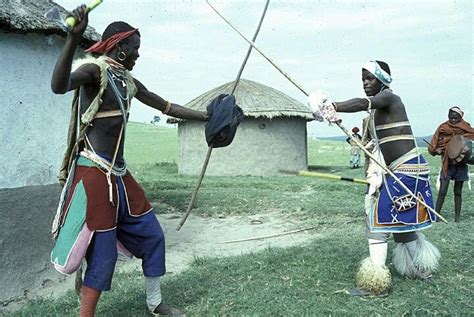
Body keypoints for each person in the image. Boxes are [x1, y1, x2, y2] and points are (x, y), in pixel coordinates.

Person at [50, 5, 208, 316]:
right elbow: (58, 85)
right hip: (94, 174)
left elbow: (167, 106)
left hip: (119, 176)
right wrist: (73, 38)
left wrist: (206, 115)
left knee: (152, 234)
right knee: (103, 253)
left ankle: (154, 303)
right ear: (120, 47)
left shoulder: (127, 81)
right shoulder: (95, 71)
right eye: (134, 49)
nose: (138, 55)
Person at [308, 60, 440, 296]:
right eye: (363, 80)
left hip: (406, 170)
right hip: (405, 170)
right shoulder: (377, 111)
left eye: (370, 79)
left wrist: (333, 105)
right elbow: (372, 137)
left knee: (377, 222)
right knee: (402, 223)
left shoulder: (390, 98)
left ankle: (375, 284)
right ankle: (419, 269)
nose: (365, 84)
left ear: (384, 80)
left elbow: (360, 103)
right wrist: (334, 117)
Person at [428, 106, 474, 222]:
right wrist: (437, 151)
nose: (453, 120)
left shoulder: (466, 128)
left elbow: (470, 141)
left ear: (460, 117)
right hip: (447, 164)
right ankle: (436, 216)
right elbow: (434, 146)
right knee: (442, 191)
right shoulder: (443, 128)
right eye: (451, 117)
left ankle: (457, 218)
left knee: (458, 192)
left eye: (455, 118)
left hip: (461, 165)